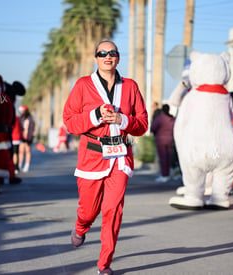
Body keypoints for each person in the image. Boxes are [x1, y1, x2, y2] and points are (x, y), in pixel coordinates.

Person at [63, 39, 148, 275]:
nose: (107, 56)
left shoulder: (130, 86)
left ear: (118, 57)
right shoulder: (83, 85)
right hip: (92, 157)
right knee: (89, 211)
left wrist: (123, 120)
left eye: (112, 53)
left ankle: (104, 265)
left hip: (120, 156)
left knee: (112, 210)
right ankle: (81, 228)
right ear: (95, 58)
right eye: (102, 53)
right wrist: (94, 115)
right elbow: (69, 122)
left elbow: (142, 124)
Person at [151, 104, 175, 183]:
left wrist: (155, 133)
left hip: (161, 140)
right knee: (168, 158)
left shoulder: (160, 118)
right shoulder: (172, 119)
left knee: (163, 159)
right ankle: (167, 174)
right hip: (170, 139)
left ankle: (164, 175)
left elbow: (153, 127)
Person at [18, 105, 35, 173]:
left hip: (28, 137)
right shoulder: (20, 118)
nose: (21, 112)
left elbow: (32, 128)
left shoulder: (30, 118)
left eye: (22, 111)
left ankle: (27, 165)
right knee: (21, 151)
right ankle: (19, 164)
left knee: (28, 151)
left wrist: (30, 137)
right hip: (21, 137)